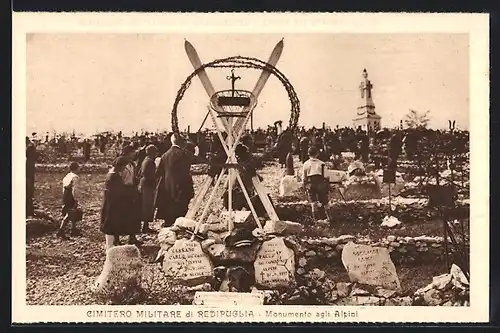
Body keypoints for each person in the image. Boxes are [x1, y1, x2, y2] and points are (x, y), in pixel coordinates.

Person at [155, 133, 194, 227]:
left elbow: (159, 172)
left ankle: (168, 224)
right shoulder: (184, 154)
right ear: (181, 142)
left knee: (170, 206)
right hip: (182, 186)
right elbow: (186, 171)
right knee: (181, 209)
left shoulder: (164, 155)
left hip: (167, 186)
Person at [100, 157, 130, 250]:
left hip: (110, 202)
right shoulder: (114, 176)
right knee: (110, 224)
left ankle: (110, 246)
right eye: (124, 167)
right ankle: (109, 248)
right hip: (113, 203)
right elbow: (118, 192)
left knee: (110, 224)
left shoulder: (111, 173)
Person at [115, 145, 142, 245]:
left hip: (131, 190)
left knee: (133, 214)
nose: (134, 154)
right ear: (128, 153)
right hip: (122, 190)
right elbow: (116, 176)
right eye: (133, 153)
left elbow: (133, 176)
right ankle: (116, 238)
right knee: (120, 215)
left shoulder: (132, 163)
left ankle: (132, 237)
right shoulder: (120, 161)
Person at [302, 146, 331, 222]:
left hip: (310, 183)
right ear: (317, 154)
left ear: (308, 154)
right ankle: (329, 218)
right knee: (325, 202)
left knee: (313, 202)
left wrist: (304, 187)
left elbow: (304, 178)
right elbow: (326, 176)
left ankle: (315, 220)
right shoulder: (322, 163)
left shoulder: (306, 164)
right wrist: (327, 186)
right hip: (320, 183)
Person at [56, 162, 82, 239]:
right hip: (71, 196)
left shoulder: (67, 176)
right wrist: (76, 199)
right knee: (70, 213)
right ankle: (61, 230)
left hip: (66, 196)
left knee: (73, 212)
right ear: (76, 168)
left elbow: (64, 188)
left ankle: (73, 229)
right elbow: (75, 190)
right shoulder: (75, 177)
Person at [138, 144, 158, 234]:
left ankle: (144, 226)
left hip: (144, 184)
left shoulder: (145, 160)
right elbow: (150, 175)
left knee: (145, 206)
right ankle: (145, 227)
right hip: (148, 185)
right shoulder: (150, 162)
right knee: (147, 206)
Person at [26, 137, 36, 217]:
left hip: (28, 174)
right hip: (29, 174)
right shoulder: (29, 160)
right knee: (29, 193)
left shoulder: (29, 160)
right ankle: (29, 211)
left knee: (28, 193)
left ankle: (29, 211)